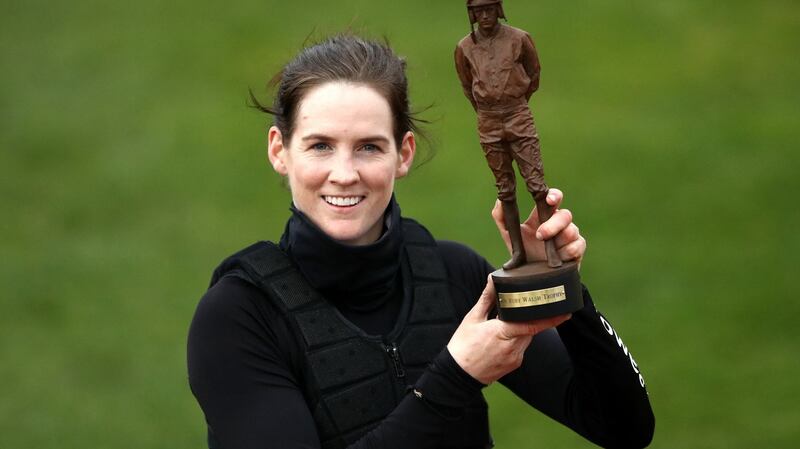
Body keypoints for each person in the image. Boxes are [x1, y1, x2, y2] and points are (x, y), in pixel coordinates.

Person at [187, 35, 654, 449]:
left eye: (369, 146)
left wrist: (561, 285)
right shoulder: (238, 316)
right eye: (320, 145)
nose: (345, 173)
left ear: (403, 154)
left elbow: (623, 428)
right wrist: (456, 375)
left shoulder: (454, 275)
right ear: (279, 150)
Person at [455, 0, 557, 270]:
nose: (485, 16)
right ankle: (518, 251)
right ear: (472, 15)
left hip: (517, 114)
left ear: (499, 10)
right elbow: (467, 85)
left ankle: (550, 247)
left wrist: (516, 102)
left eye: (490, 10)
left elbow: (534, 73)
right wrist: (487, 110)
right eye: (479, 11)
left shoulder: (519, 39)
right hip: (488, 120)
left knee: (536, 184)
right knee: (505, 189)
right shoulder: (465, 48)